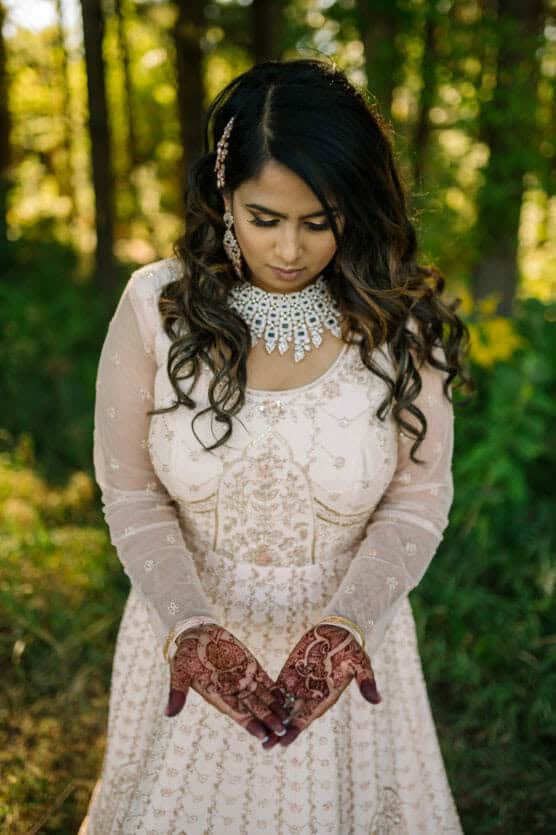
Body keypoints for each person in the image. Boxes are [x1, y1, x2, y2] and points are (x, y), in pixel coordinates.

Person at [79, 58, 471, 834]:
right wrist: (190, 624)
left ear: (355, 208)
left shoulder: (403, 322)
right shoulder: (156, 307)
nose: (290, 249)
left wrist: (349, 624)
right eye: (264, 218)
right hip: (184, 633)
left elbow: (420, 497)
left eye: (318, 220)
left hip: (354, 649)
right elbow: (129, 491)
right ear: (224, 196)